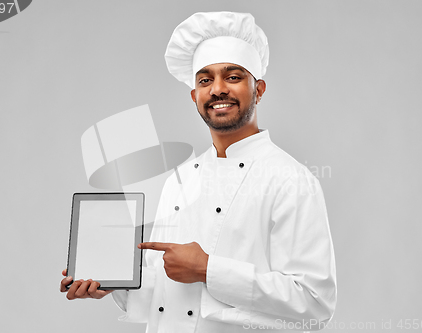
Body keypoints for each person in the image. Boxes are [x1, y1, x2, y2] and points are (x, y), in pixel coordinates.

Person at [60, 11, 336, 332]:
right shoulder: (181, 179)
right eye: (205, 80)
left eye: (233, 77)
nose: (218, 89)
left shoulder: (291, 180)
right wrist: (114, 282)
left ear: (258, 89)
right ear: (195, 96)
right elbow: (165, 296)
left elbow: (315, 303)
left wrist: (208, 269)